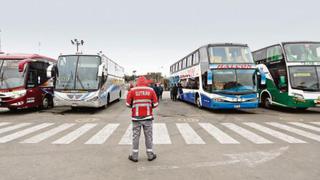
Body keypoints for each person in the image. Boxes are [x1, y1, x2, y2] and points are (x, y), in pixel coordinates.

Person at [126, 76, 158, 162]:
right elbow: (155, 104)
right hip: (148, 118)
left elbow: (128, 104)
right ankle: (150, 155)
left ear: (138, 83)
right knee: (149, 136)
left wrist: (134, 106)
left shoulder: (132, 91)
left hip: (136, 118)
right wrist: (148, 106)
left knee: (135, 137)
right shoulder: (151, 90)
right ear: (146, 82)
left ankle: (134, 156)